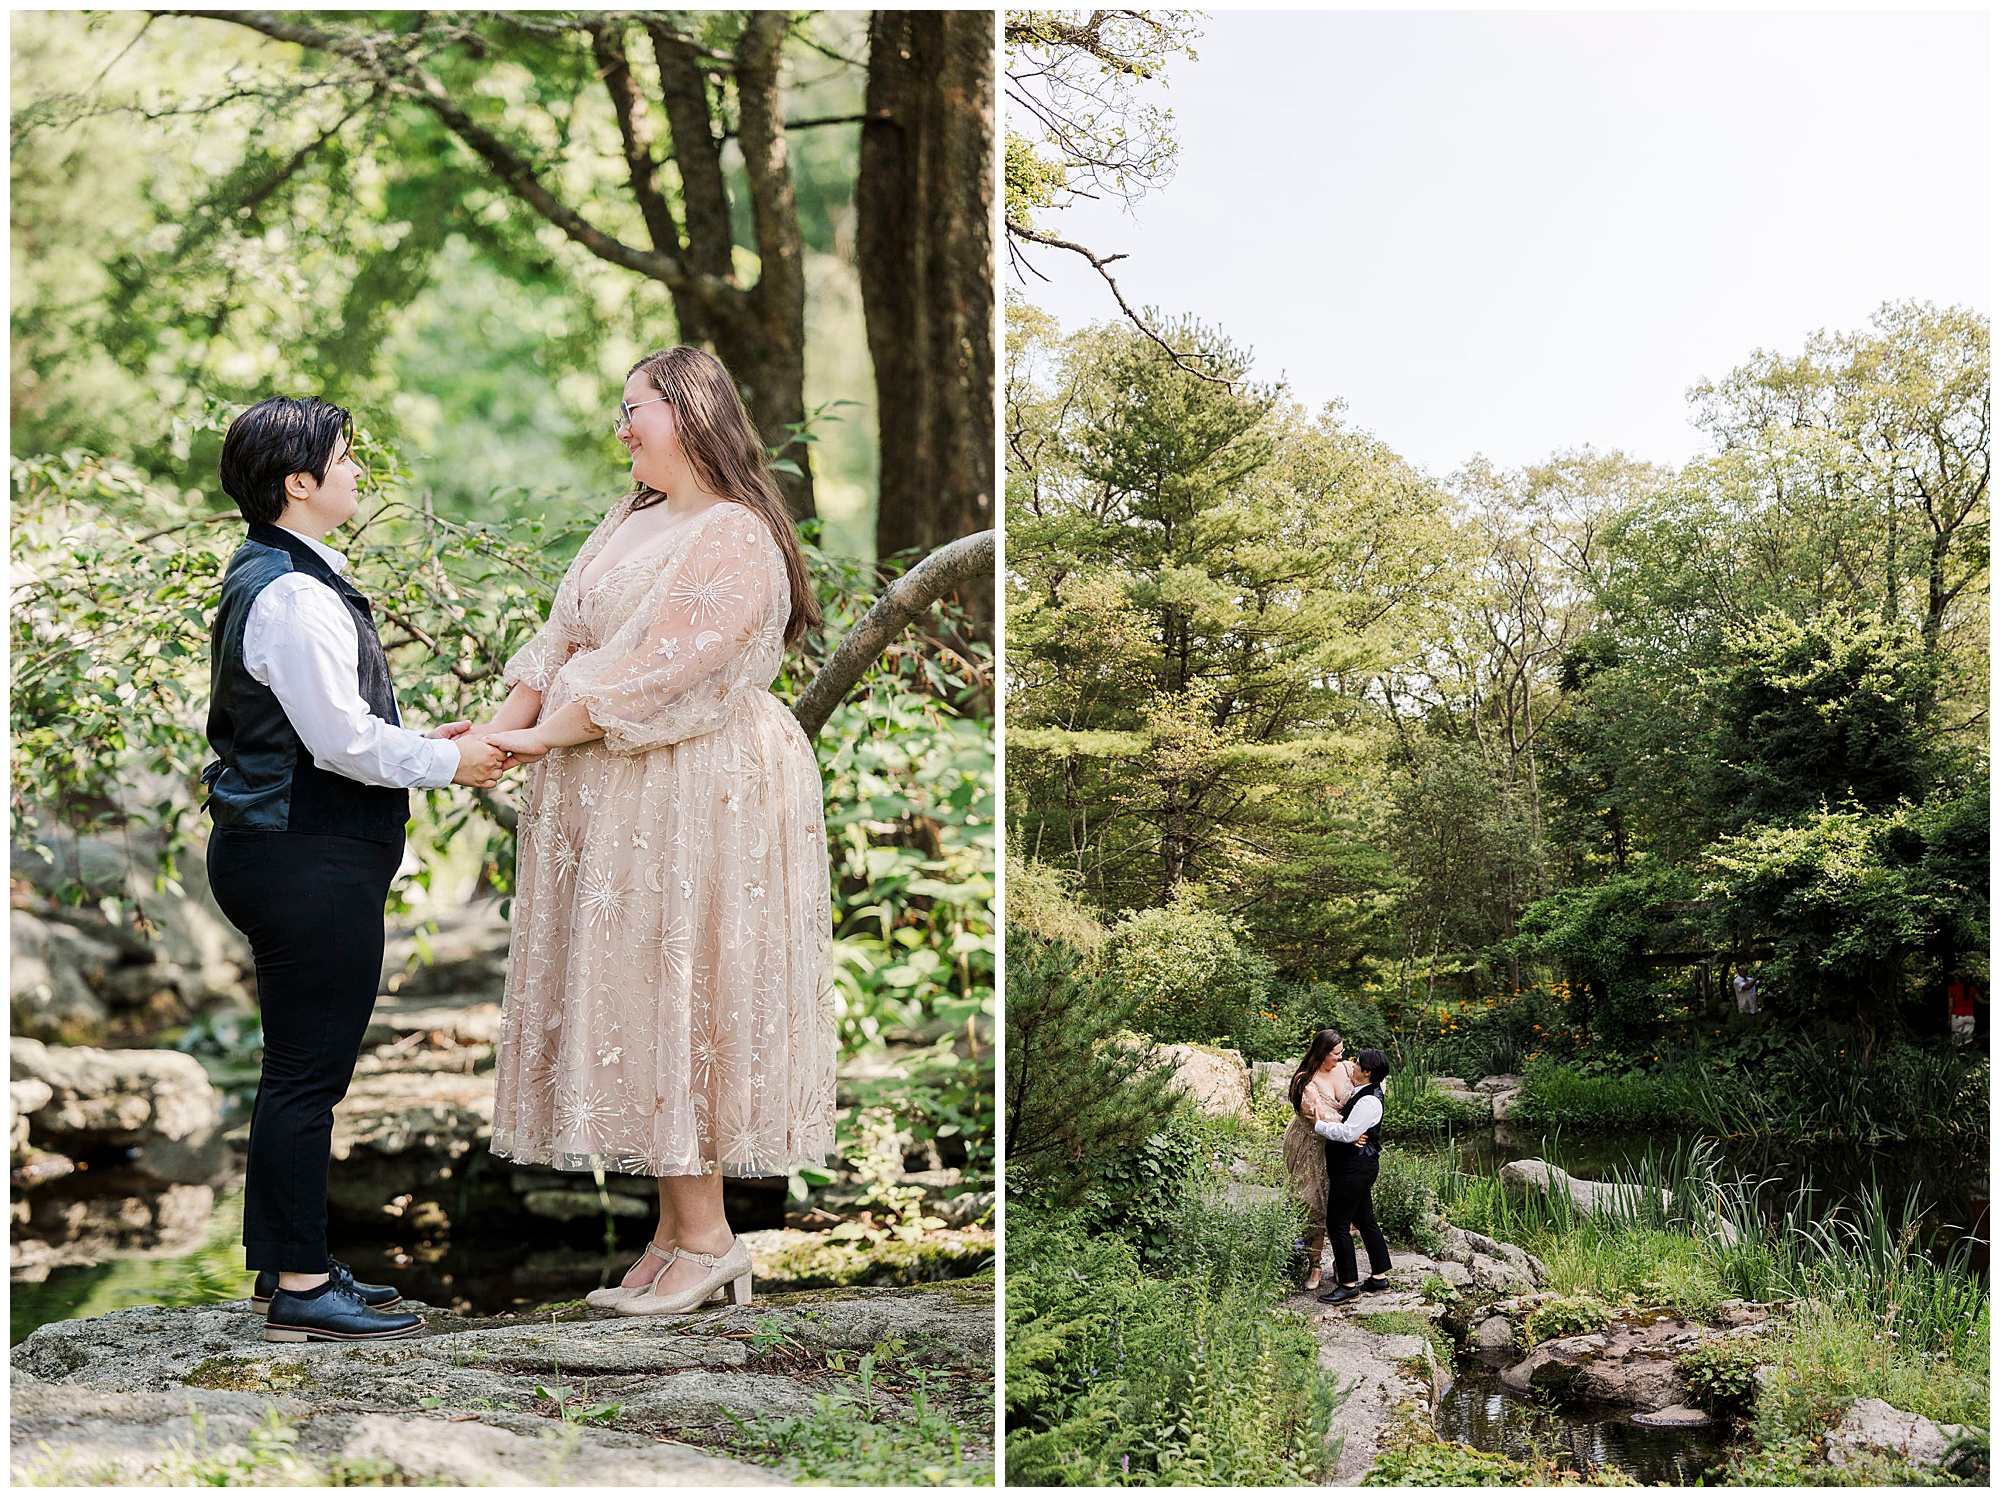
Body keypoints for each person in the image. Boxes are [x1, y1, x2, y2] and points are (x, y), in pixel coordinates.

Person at [479, 347, 837, 1316]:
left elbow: (660, 671)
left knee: (684, 990)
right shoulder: (631, 520)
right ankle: (675, 1231)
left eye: (635, 408)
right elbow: (560, 640)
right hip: (615, 783)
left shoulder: (734, 535)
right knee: (635, 990)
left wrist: (537, 739)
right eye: (620, 410)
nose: (621, 426)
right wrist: (496, 730)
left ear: (690, 412)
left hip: (696, 781)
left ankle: (711, 1238)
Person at [201, 396, 510, 1343]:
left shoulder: (288, 578)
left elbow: (331, 727)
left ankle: (287, 1267)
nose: (355, 471)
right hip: (304, 857)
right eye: (341, 458)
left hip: (296, 853)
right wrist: (452, 759)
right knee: (307, 1075)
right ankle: (299, 1284)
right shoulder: (292, 593)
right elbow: (338, 744)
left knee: (298, 1070)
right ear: (298, 483)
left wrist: (422, 741)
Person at [1314, 1046, 1394, 1305]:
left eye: (1357, 1064)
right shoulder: (1363, 1093)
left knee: (1337, 1225)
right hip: (1358, 1168)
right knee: (1366, 1220)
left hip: (1354, 1170)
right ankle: (1379, 1277)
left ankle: (1348, 1285)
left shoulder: (1369, 1100)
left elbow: (1348, 1134)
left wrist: (1320, 1125)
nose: (1352, 1065)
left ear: (1367, 1072)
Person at [1283, 1028, 1356, 1291]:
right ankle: (1313, 1264)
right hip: (1308, 1145)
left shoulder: (1347, 1069)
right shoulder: (1305, 1081)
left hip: (1338, 1145)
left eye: (1342, 1052)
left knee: (1340, 1203)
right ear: (1321, 1053)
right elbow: (1319, 1119)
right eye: (1336, 1054)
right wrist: (1354, 1128)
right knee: (1310, 1203)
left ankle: (1341, 1261)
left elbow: (1371, 1086)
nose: (1342, 1058)